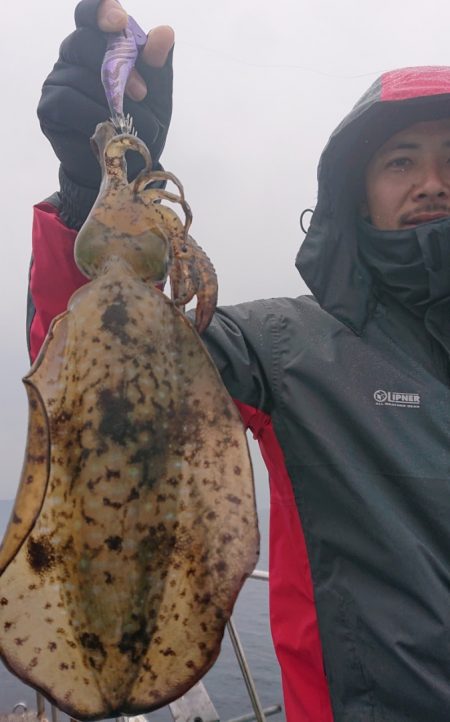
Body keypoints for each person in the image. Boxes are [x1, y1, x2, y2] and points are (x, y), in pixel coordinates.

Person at [29, 1, 450, 720]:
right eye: (401, 161)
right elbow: (100, 374)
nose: (432, 183)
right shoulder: (287, 345)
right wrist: (88, 197)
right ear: (355, 194)